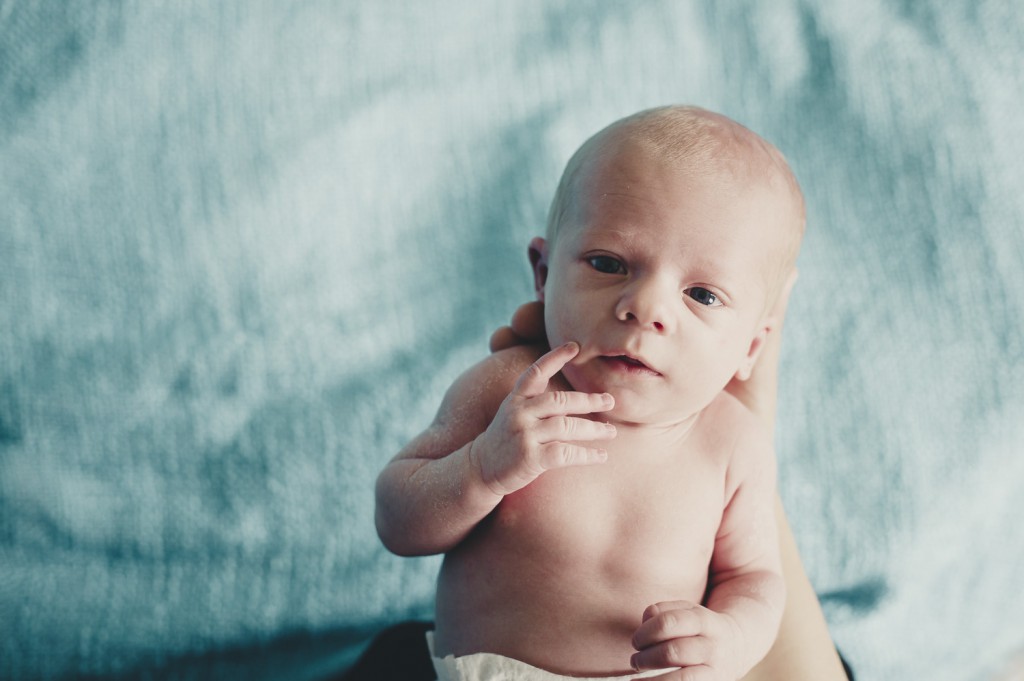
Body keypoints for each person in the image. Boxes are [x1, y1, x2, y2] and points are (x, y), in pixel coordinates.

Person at [372, 106, 850, 680]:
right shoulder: (513, 392)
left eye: (702, 295)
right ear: (544, 274)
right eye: (608, 263)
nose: (645, 308)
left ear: (753, 345)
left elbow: (754, 580)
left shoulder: (732, 443)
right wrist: (481, 468)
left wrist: (731, 639)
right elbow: (397, 519)